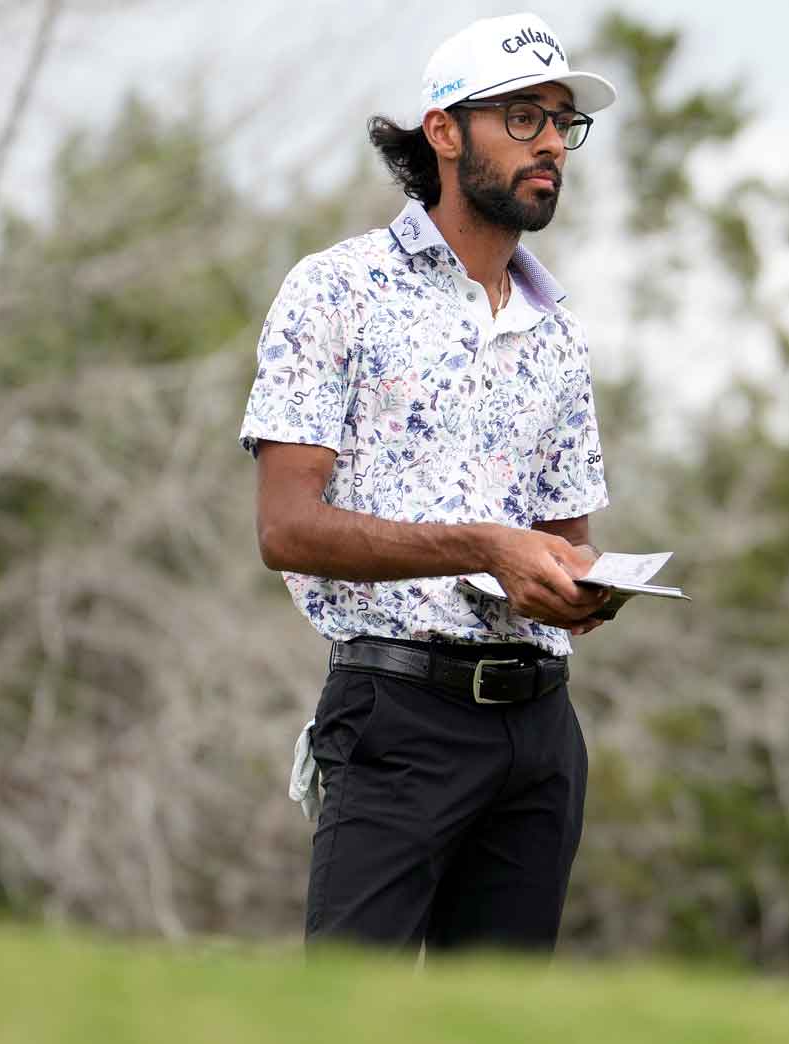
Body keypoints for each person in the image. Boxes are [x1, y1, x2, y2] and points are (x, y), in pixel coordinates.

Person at [238, 12, 618, 953]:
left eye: (561, 124)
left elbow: (566, 544)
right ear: (443, 132)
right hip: (396, 717)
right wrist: (483, 545)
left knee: (494, 1022)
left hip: (539, 732)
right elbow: (287, 529)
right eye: (521, 119)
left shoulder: (559, 333)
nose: (550, 149)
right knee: (343, 1016)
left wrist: (583, 587)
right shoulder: (338, 291)